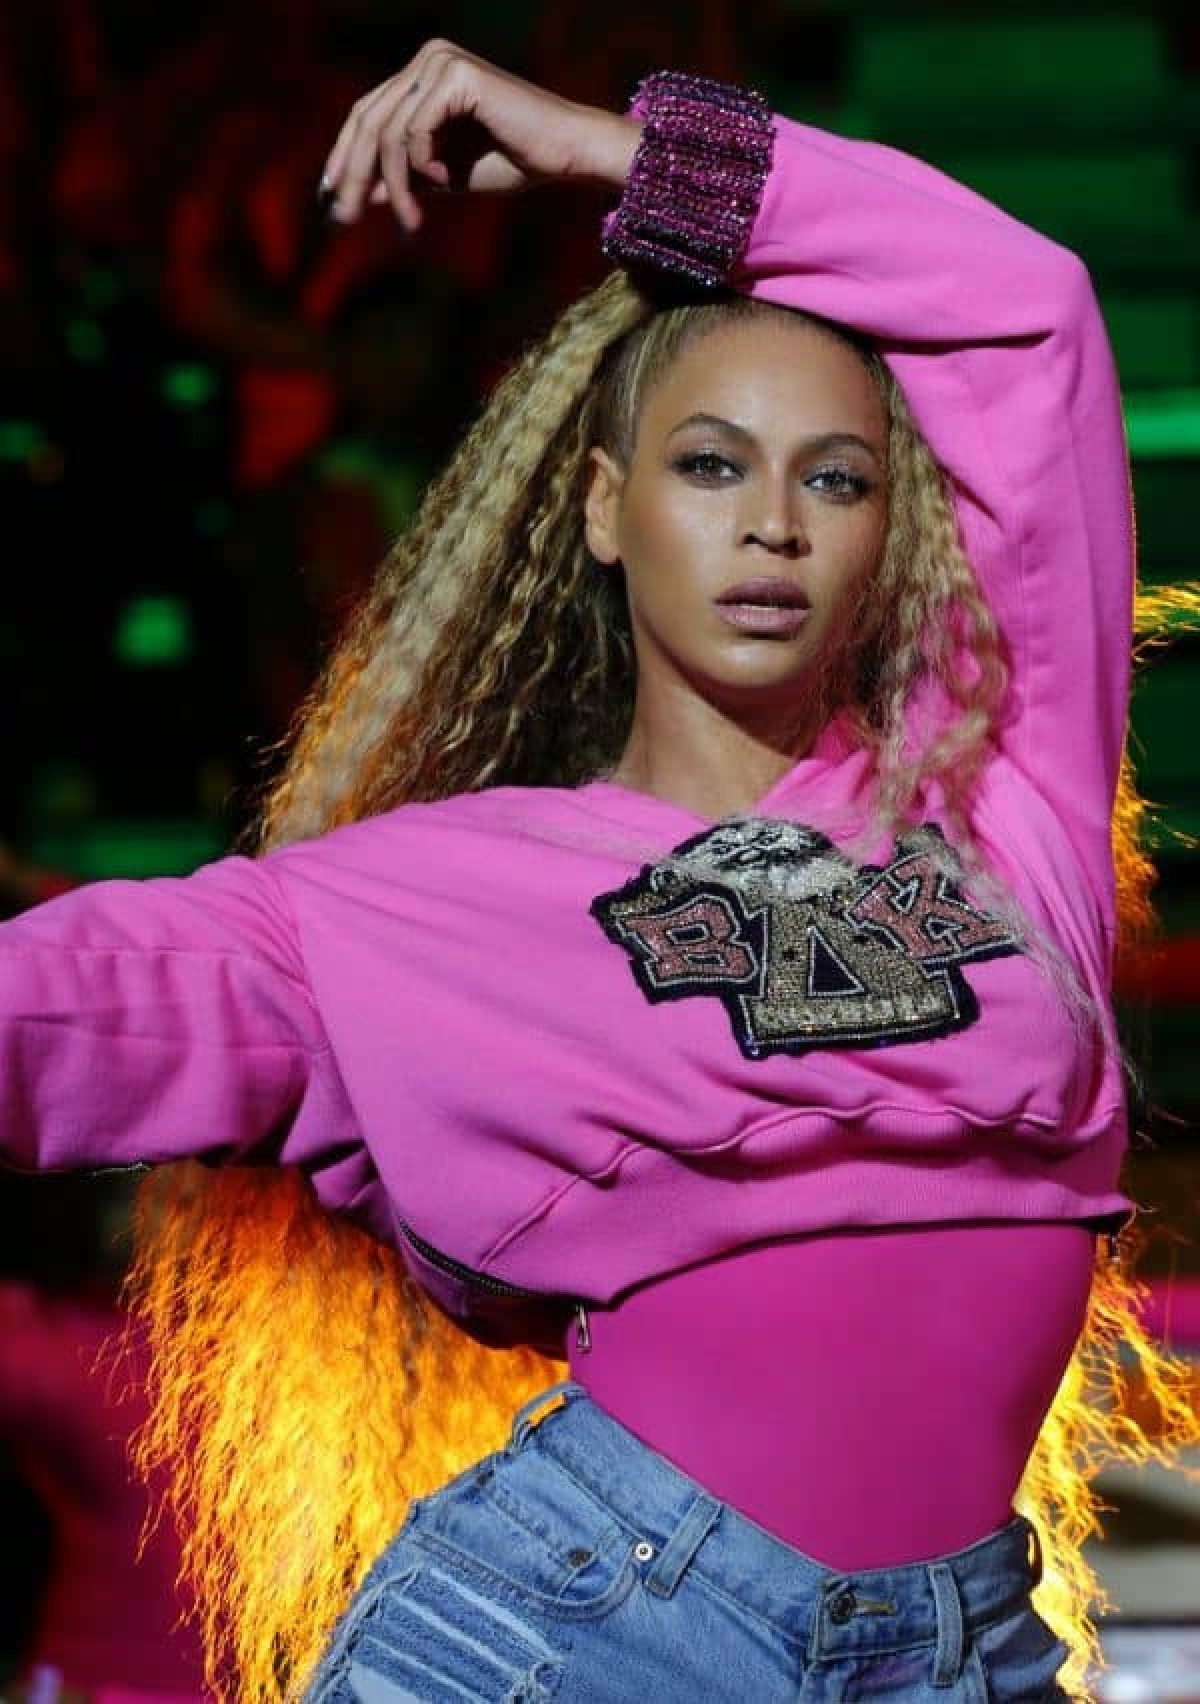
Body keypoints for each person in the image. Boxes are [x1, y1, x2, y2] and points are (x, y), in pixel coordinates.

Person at [3, 37, 1197, 1704]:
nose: (774, 523)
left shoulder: (998, 800)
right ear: (601, 507)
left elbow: (1023, 312)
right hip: (591, 1634)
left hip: (968, 1652)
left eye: (836, 477)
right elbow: (70, 1008)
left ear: (890, 530)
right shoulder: (423, 899)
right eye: (710, 464)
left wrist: (625, 160)